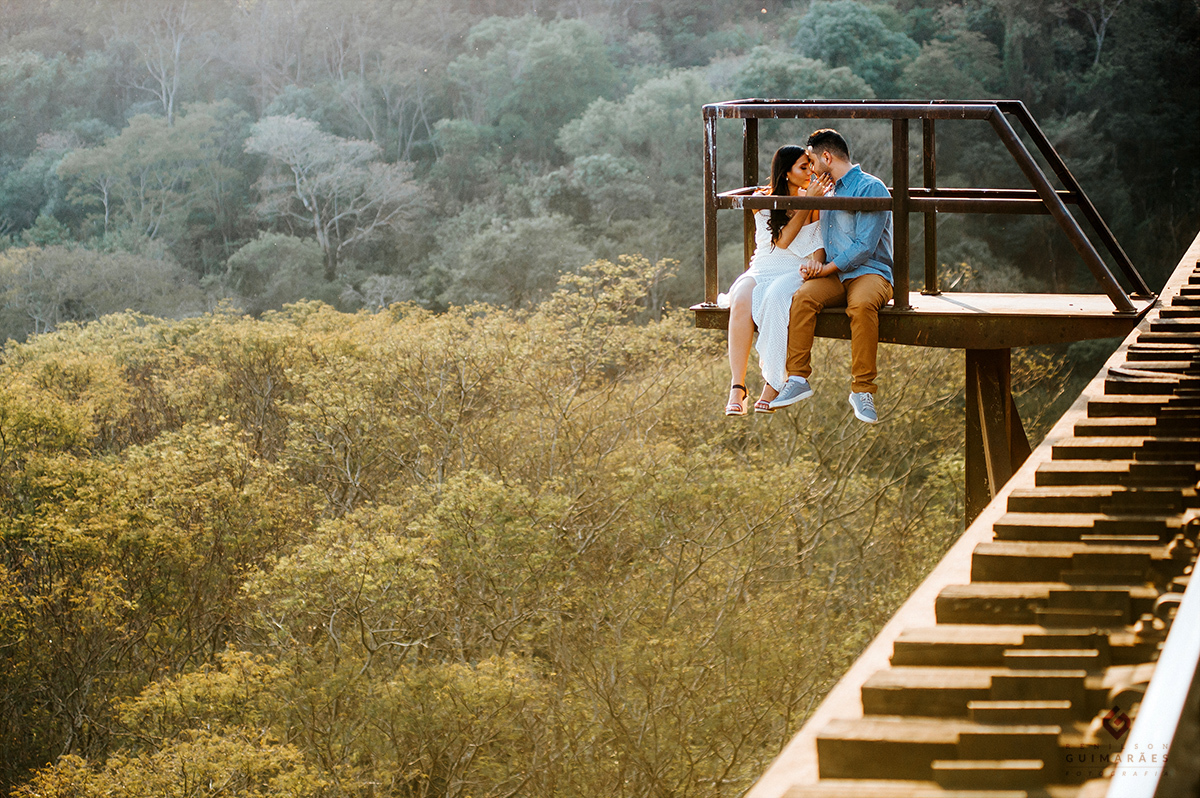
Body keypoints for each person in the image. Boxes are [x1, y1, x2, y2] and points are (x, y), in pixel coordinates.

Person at [768, 128, 894, 423]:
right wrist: (815, 264)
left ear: (826, 156)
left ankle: (863, 389)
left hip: (869, 271)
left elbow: (864, 246)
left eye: (811, 160)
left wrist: (826, 269)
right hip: (835, 273)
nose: (810, 168)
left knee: (861, 306)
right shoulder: (828, 190)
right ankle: (797, 378)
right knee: (803, 297)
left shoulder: (870, 187)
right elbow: (822, 240)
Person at [723, 145, 832, 415]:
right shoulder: (763, 199)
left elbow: (817, 243)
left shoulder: (816, 197)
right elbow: (782, 240)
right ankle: (737, 386)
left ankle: (772, 382)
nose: (810, 172)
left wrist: (815, 264)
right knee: (741, 298)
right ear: (786, 173)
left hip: (793, 270)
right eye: (803, 168)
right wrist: (807, 203)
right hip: (764, 266)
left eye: (810, 166)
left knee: (775, 298)